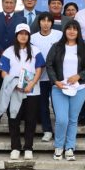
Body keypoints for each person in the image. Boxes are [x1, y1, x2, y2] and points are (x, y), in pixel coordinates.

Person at [46, 21, 85, 161]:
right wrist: (55, 81)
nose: (72, 31)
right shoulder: (56, 47)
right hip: (59, 88)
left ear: (78, 32)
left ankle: (69, 148)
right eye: (69, 29)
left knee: (73, 119)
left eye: (75, 29)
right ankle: (58, 146)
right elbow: (49, 65)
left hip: (79, 88)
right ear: (65, 31)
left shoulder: (84, 48)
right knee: (62, 119)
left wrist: (79, 76)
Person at [0, 23, 45, 160]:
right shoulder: (9, 51)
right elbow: (3, 72)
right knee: (14, 118)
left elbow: (39, 69)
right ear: (16, 35)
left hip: (32, 90)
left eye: (26, 34)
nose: (23, 36)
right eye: (20, 33)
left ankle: (28, 147)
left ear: (29, 36)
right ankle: (15, 147)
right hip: (14, 90)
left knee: (31, 119)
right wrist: (14, 84)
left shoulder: (35, 50)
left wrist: (32, 84)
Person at [0, 0, 27, 125]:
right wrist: (1, 51)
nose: (9, 5)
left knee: (14, 88)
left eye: (11, 2)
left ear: (15, 4)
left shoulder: (21, 19)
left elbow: (22, 38)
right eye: (6, 2)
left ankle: (13, 115)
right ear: (2, 3)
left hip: (15, 60)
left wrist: (10, 53)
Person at [30, 12, 63, 142]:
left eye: (48, 21)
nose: (46, 23)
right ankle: (47, 130)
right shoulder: (33, 38)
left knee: (57, 105)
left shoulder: (59, 35)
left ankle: (60, 130)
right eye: (43, 21)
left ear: (52, 23)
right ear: (39, 23)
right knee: (43, 105)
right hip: (40, 77)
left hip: (56, 77)